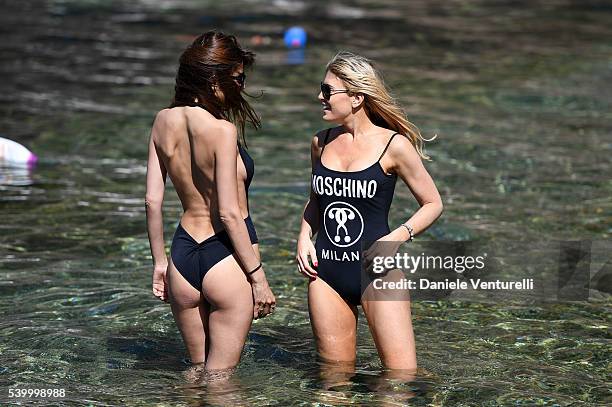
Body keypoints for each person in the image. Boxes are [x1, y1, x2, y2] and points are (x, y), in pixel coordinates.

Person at [296, 51, 443, 373]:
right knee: (334, 381)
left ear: (357, 97)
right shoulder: (320, 142)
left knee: (399, 380)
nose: (318, 97)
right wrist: (304, 237)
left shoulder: (394, 146)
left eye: (327, 91)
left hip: (376, 274)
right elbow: (316, 199)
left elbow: (433, 203)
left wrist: (396, 239)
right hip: (326, 274)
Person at [145, 31, 276, 374]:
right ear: (215, 78)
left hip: (183, 255)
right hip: (226, 255)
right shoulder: (222, 131)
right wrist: (258, 277)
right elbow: (229, 213)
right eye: (238, 78)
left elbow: (151, 201)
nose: (241, 86)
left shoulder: (162, 120)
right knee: (221, 381)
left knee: (194, 373)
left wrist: (160, 263)